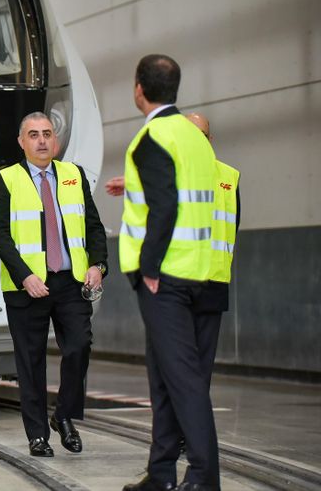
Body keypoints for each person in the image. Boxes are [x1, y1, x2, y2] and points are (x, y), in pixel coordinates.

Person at [109, 113, 241, 456]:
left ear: (210, 141)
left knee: (199, 371)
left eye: (202, 136)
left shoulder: (229, 177)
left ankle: (189, 441)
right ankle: (173, 444)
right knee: (169, 369)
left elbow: (231, 229)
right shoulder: (166, 171)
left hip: (211, 285)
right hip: (171, 285)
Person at [119, 55, 220, 491]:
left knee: (183, 382)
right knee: (163, 378)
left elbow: (165, 206)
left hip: (167, 280)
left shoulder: (151, 138)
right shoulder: (195, 137)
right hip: (201, 272)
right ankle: (161, 474)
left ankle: (203, 477)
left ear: (139, 88)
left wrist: (150, 267)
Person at [0, 112, 108, 458]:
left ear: (55, 140)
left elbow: (93, 225)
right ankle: (37, 434)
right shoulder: (5, 180)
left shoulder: (74, 175)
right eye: (33, 135)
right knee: (30, 361)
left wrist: (98, 265)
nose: (42, 141)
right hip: (27, 286)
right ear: (21, 142)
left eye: (47, 134)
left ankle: (65, 415)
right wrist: (25, 275)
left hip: (70, 282)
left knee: (79, 346)